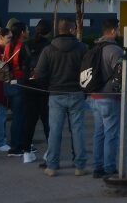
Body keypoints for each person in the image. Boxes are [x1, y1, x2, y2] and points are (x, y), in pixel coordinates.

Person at [34, 18, 88, 177]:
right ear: (71, 30)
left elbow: (39, 73)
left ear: (58, 30)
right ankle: (80, 166)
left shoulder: (48, 49)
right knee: (78, 130)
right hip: (77, 93)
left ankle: (52, 165)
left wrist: (48, 86)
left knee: (55, 130)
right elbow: (88, 72)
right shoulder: (82, 48)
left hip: (55, 93)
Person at [88, 19, 124, 179]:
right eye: (118, 29)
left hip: (94, 96)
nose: (119, 31)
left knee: (99, 133)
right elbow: (121, 75)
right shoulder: (115, 50)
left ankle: (97, 167)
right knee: (111, 134)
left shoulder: (95, 47)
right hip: (109, 97)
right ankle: (109, 167)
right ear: (113, 31)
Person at [21, 21, 52, 165]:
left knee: (29, 120)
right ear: (49, 32)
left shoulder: (26, 45)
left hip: (28, 85)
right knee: (48, 121)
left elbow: (21, 64)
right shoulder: (50, 46)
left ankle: (26, 152)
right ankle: (50, 151)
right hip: (45, 86)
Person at [4, 22, 30, 157]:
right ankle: (17, 146)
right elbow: (27, 66)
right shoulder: (23, 47)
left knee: (15, 116)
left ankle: (15, 144)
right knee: (20, 116)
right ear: (22, 33)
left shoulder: (8, 45)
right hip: (20, 83)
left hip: (9, 83)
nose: (28, 32)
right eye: (26, 30)